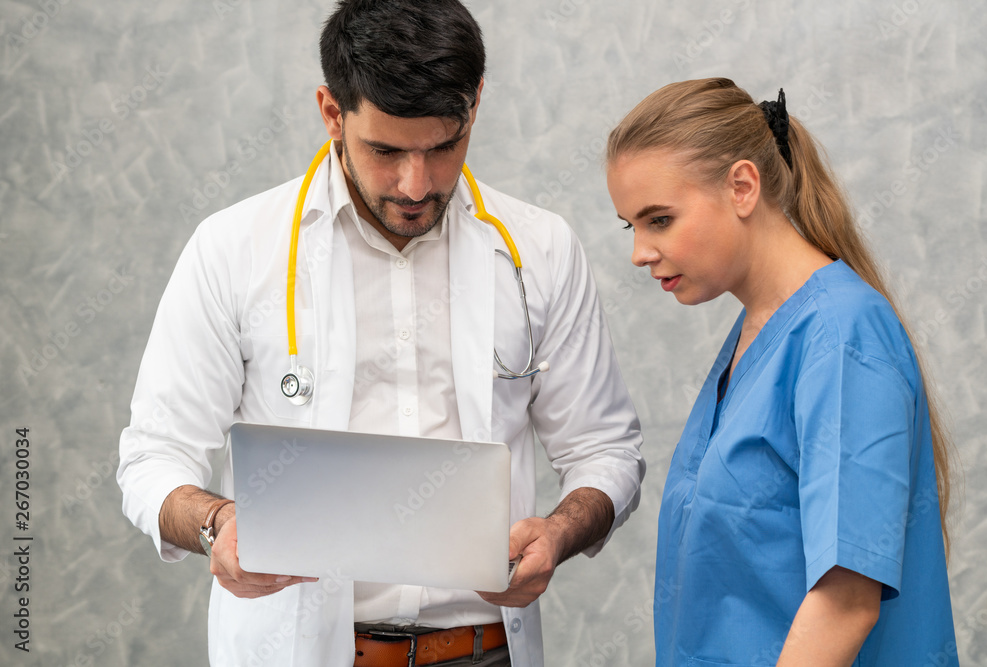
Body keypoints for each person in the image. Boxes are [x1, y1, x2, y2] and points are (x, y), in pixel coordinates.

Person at [117, 1, 645, 665]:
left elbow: (608, 449)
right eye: (386, 150)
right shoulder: (233, 249)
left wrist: (560, 532)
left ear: (475, 105)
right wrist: (217, 523)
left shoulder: (539, 251)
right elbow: (151, 454)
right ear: (332, 113)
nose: (415, 184)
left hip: (482, 652)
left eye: (443, 146)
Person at [605, 78, 957, 666]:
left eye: (659, 220)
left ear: (743, 186)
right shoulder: (755, 333)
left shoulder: (842, 336)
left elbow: (846, 602)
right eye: (630, 226)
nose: (639, 251)